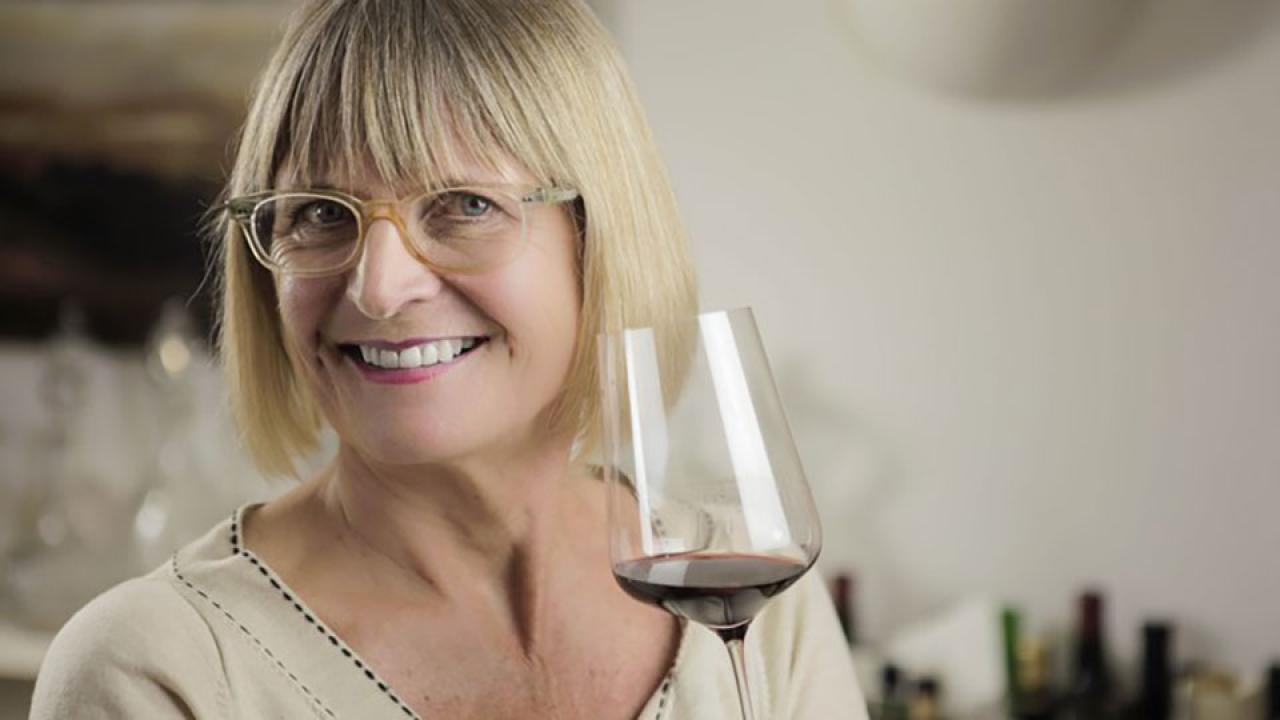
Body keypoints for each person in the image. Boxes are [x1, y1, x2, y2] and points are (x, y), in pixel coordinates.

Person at [30, 0, 866, 717]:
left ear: (598, 236)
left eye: (464, 204)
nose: (379, 288)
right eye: (320, 214)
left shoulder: (754, 603)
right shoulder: (156, 669)